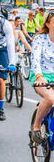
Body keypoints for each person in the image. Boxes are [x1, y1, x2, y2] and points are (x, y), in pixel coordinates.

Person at [29, 12, 54, 143]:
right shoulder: (40, 39)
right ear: (48, 24)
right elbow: (35, 60)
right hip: (41, 75)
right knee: (50, 98)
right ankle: (37, 126)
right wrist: (39, 76)